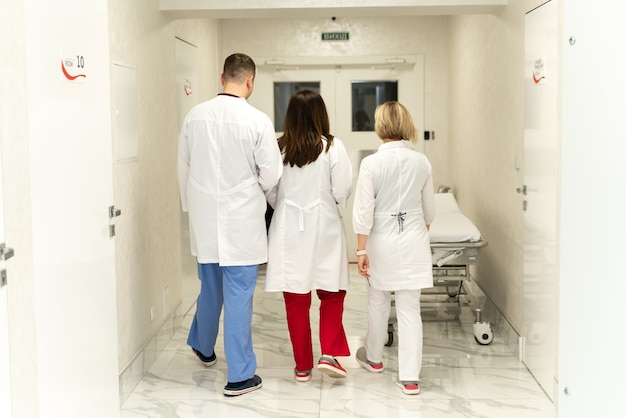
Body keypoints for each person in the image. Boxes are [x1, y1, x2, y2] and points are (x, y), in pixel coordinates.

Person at [177, 53, 283, 397]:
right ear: (250, 81)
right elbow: (271, 174)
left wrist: (189, 206)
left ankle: (203, 347)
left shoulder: (195, 116)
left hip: (205, 220)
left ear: (221, 77)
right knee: (239, 295)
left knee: (210, 288)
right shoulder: (257, 121)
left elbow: (184, 167)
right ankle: (239, 375)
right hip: (241, 223)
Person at [264, 90, 353, 382]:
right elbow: (341, 192)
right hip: (324, 226)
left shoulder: (279, 148)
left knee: (296, 298)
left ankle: (303, 366)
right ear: (320, 115)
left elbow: (271, 193)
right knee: (332, 292)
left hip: (289, 228)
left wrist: (290, 206)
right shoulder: (333, 147)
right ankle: (328, 353)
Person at [351, 101, 435, 395]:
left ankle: (373, 358)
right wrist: (414, 235)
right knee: (410, 308)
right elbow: (429, 213)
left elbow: (363, 212)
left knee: (377, 301)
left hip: (380, 243)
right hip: (413, 241)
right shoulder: (421, 162)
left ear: (380, 126)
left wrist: (361, 251)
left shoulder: (371, 164)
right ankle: (410, 378)